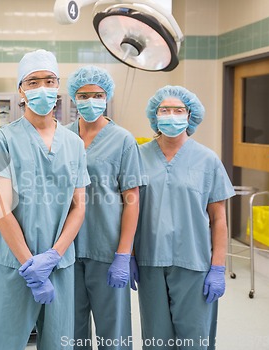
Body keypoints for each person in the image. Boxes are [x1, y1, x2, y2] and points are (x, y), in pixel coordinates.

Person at [0, 49, 90, 350]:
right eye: (32, 82)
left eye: (49, 80)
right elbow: (1, 210)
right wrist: (30, 264)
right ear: (21, 90)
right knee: (2, 343)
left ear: (58, 87)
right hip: (14, 265)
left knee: (59, 344)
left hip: (59, 264)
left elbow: (79, 207)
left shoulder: (74, 144)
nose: (42, 88)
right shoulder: (1, 140)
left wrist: (53, 255)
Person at [133, 85, 235, 350]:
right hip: (150, 261)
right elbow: (128, 210)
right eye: (164, 110)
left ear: (190, 116)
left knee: (194, 340)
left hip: (194, 263)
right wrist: (128, 255)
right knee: (155, 339)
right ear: (154, 116)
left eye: (178, 110)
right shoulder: (138, 157)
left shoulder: (207, 160)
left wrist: (218, 268)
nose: (171, 115)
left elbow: (219, 219)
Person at [66, 66, 145, 350]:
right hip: (67, 249)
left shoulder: (123, 140)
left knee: (114, 332)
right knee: (71, 332)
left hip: (107, 249)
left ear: (107, 96)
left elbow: (132, 201)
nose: (90, 100)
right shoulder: (63, 137)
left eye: (97, 94)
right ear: (73, 97)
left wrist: (124, 254)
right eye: (84, 95)